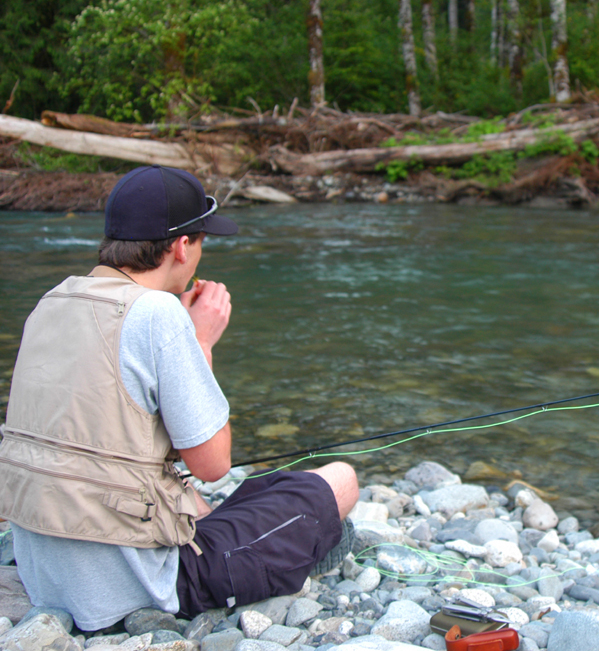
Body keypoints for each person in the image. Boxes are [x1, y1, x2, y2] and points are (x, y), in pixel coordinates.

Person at [0, 165, 359, 631]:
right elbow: (212, 464)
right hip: (135, 585)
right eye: (202, 241)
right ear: (181, 246)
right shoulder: (158, 314)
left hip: (44, 570)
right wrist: (201, 342)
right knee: (340, 480)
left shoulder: (51, 301)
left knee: (251, 492)